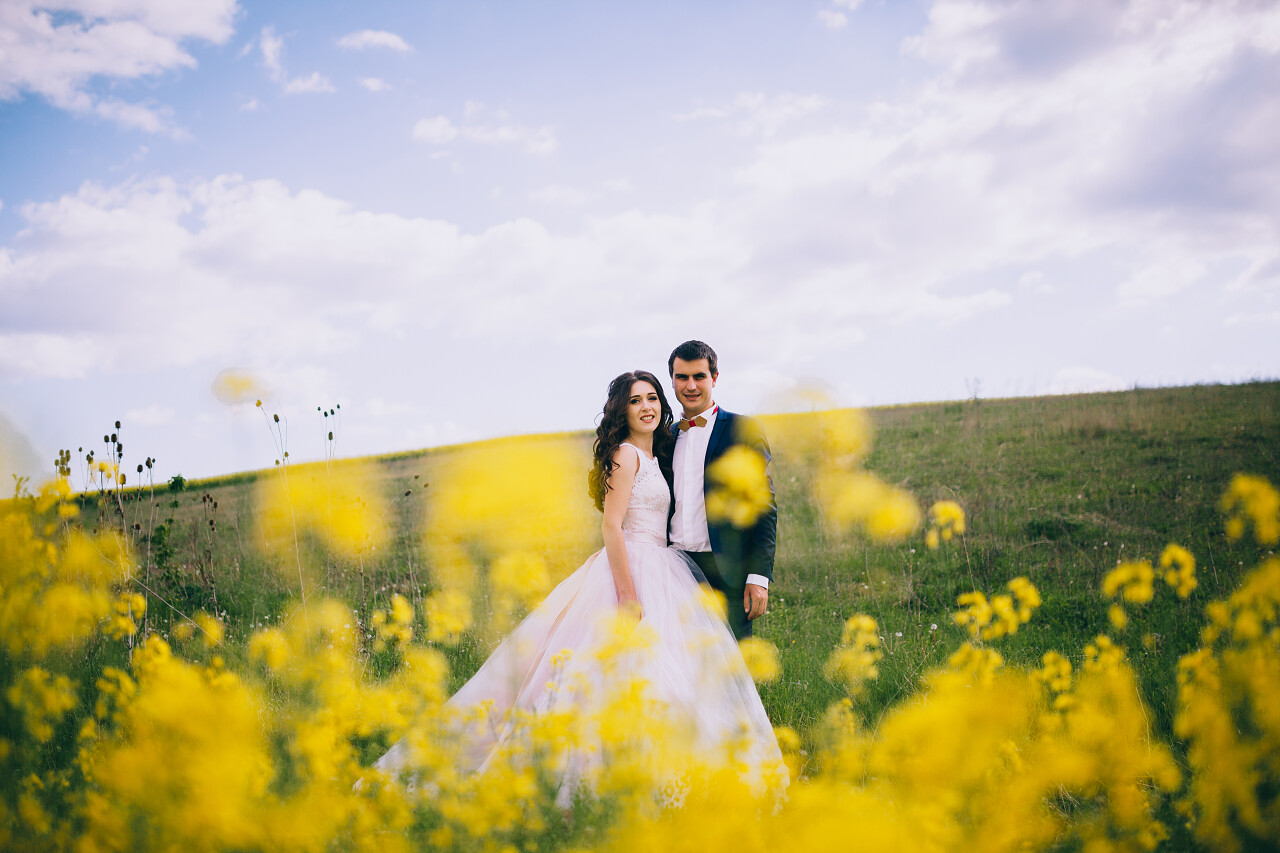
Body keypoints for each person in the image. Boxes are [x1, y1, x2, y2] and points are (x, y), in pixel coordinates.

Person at [373, 370, 786, 807]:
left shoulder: (657, 456)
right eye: (635, 401)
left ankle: (663, 778)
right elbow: (611, 525)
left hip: (666, 568)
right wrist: (627, 594)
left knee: (667, 676)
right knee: (612, 674)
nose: (646, 407)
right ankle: (597, 783)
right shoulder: (625, 456)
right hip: (630, 570)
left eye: (651, 398)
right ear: (621, 411)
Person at [667, 341, 777, 640]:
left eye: (699, 376)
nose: (690, 386)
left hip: (728, 569)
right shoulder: (666, 437)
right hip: (673, 568)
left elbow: (763, 508)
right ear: (672, 380)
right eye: (682, 377)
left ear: (714, 378)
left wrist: (758, 577)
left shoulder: (745, 430)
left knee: (733, 670)